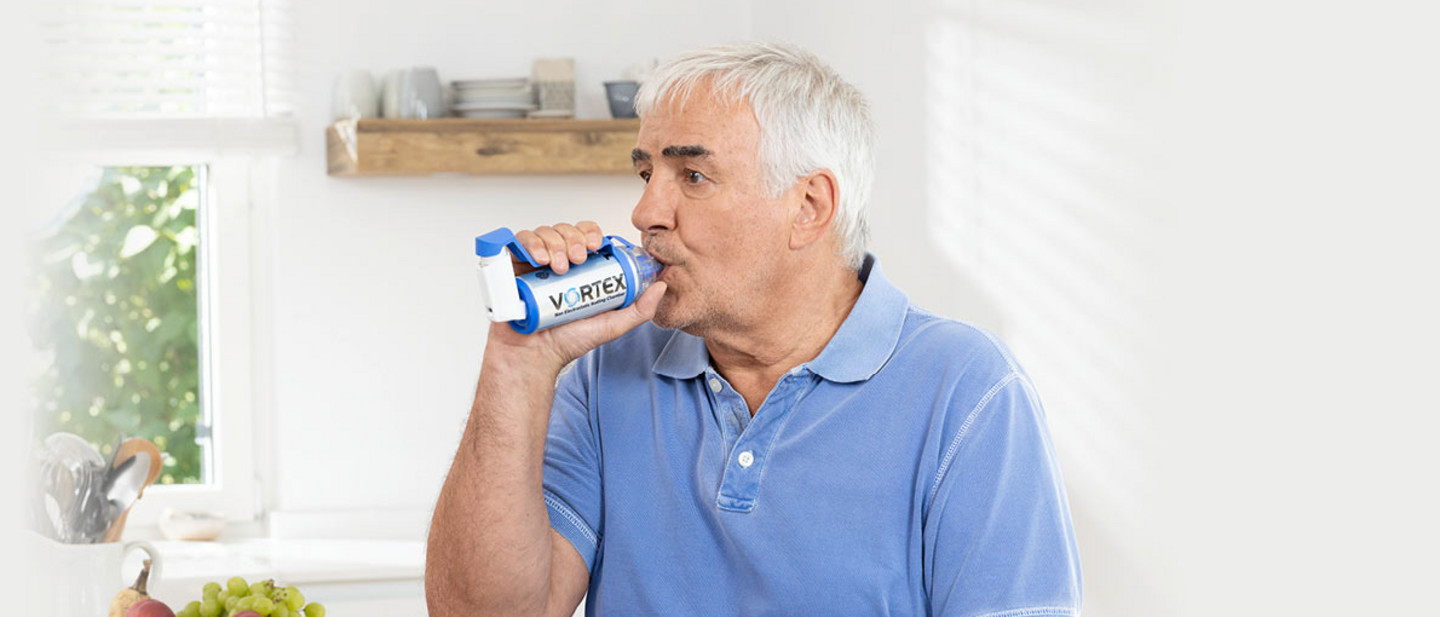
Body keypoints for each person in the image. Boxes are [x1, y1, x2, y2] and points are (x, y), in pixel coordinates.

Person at [426, 43, 1082, 617]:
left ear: (809, 207)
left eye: (693, 176)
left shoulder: (965, 390)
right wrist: (518, 360)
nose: (646, 211)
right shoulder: (608, 371)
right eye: (647, 173)